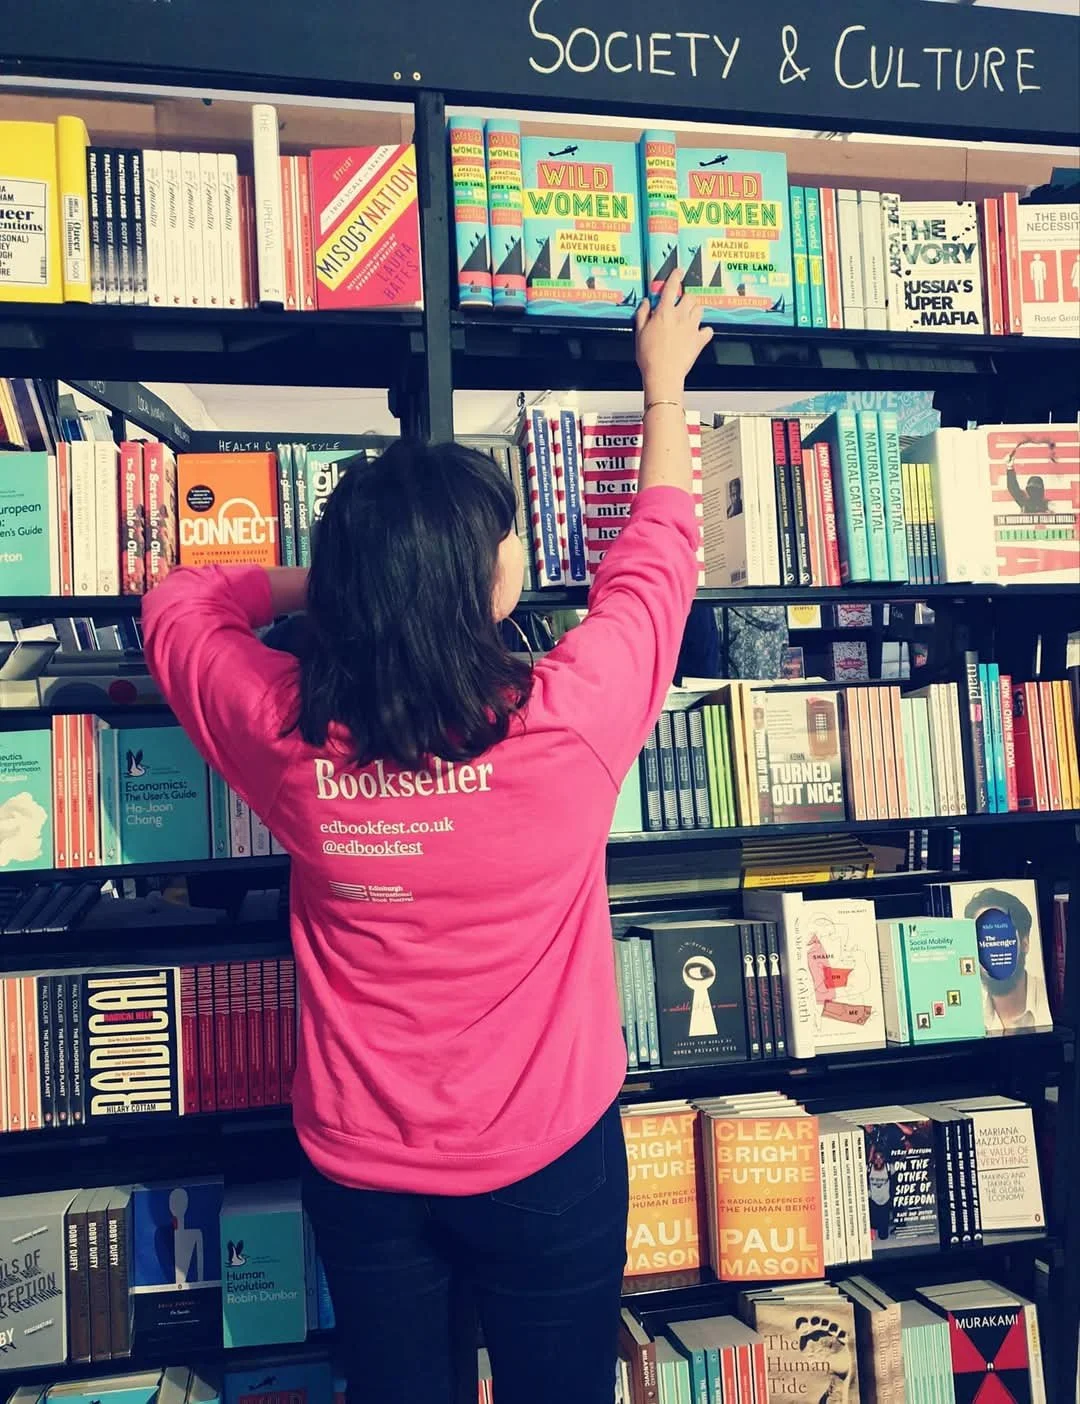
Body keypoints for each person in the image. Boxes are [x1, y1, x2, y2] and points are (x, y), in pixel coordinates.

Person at [142, 271, 713, 1404]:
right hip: (550, 1162)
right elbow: (658, 557)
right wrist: (660, 389)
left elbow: (181, 602)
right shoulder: (572, 719)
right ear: (493, 581)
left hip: (364, 1171)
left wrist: (353, 586)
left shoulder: (285, 737)